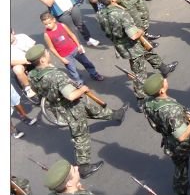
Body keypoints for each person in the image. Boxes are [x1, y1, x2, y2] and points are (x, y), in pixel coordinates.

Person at [26, 44, 127, 178]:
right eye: (46, 54)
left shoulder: (32, 74)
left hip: (58, 105)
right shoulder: (56, 76)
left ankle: (116, 115)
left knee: (91, 109)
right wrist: (83, 89)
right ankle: (83, 167)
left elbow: (39, 92)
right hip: (70, 107)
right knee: (80, 136)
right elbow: (71, 95)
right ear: (43, 60)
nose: (49, 54)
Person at [96, 0, 178, 111]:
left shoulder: (100, 14)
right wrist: (140, 30)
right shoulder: (120, 14)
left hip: (121, 44)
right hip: (131, 46)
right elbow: (133, 35)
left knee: (149, 52)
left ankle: (163, 68)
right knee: (139, 73)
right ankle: (141, 99)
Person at [41, 12, 104, 85]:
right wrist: (61, 59)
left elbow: (72, 35)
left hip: (75, 49)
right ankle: (79, 82)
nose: (48, 25)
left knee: (87, 62)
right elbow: (51, 48)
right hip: (65, 55)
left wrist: (78, 45)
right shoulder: (47, 34)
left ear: (54, 20)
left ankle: (94, 74)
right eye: (45, 24)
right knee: (73, 71)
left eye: (49, 23)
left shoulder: (62, 26)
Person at [11, 29, 38, 101]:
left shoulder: (22, 36)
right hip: (21, 64)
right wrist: (24, 61)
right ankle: (28, 88)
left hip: (32, 57)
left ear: (13, 32)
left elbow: (34, 47)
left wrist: (32, 57)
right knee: (17, 69)